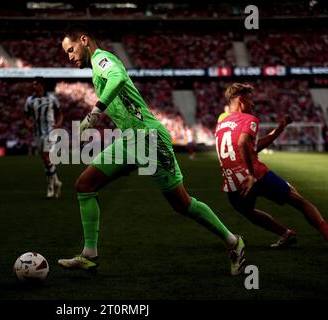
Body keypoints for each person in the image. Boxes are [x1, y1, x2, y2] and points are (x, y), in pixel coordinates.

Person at [58, 25, 246, 276]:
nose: (69, 56)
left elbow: (118, 78)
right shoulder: (96, 67)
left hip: (149, 138)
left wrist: (96, 111)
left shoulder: (102, 58)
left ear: (84, 40)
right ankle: (89, 254)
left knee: (182, 203)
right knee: (84, 185)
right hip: (128, 140)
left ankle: (233, 242)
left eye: (71, 50)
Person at [215, 83, 328, 248]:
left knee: (248, 212)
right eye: (250, 99)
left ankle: (285, 233)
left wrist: (278, 130)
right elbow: (243, 142)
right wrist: (252, 175)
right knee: (300, 201)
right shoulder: (250, 120)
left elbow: (252, 146)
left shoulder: (221, 119)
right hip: (256, 176)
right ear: (240, 100)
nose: (253, 104)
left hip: (234, 182)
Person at [24, 77, 63, 199]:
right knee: (46, 162)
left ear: (42, 85)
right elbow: (25, 115)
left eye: (35, 84)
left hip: (50, 132)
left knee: (47, 158)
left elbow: (60, 113)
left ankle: (51, 187)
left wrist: (58, 123)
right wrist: (27, 124)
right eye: (33, 84)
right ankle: (56, 182)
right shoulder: (30, 100)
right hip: (37, 133)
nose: (33, 86)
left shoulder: (51, 99)